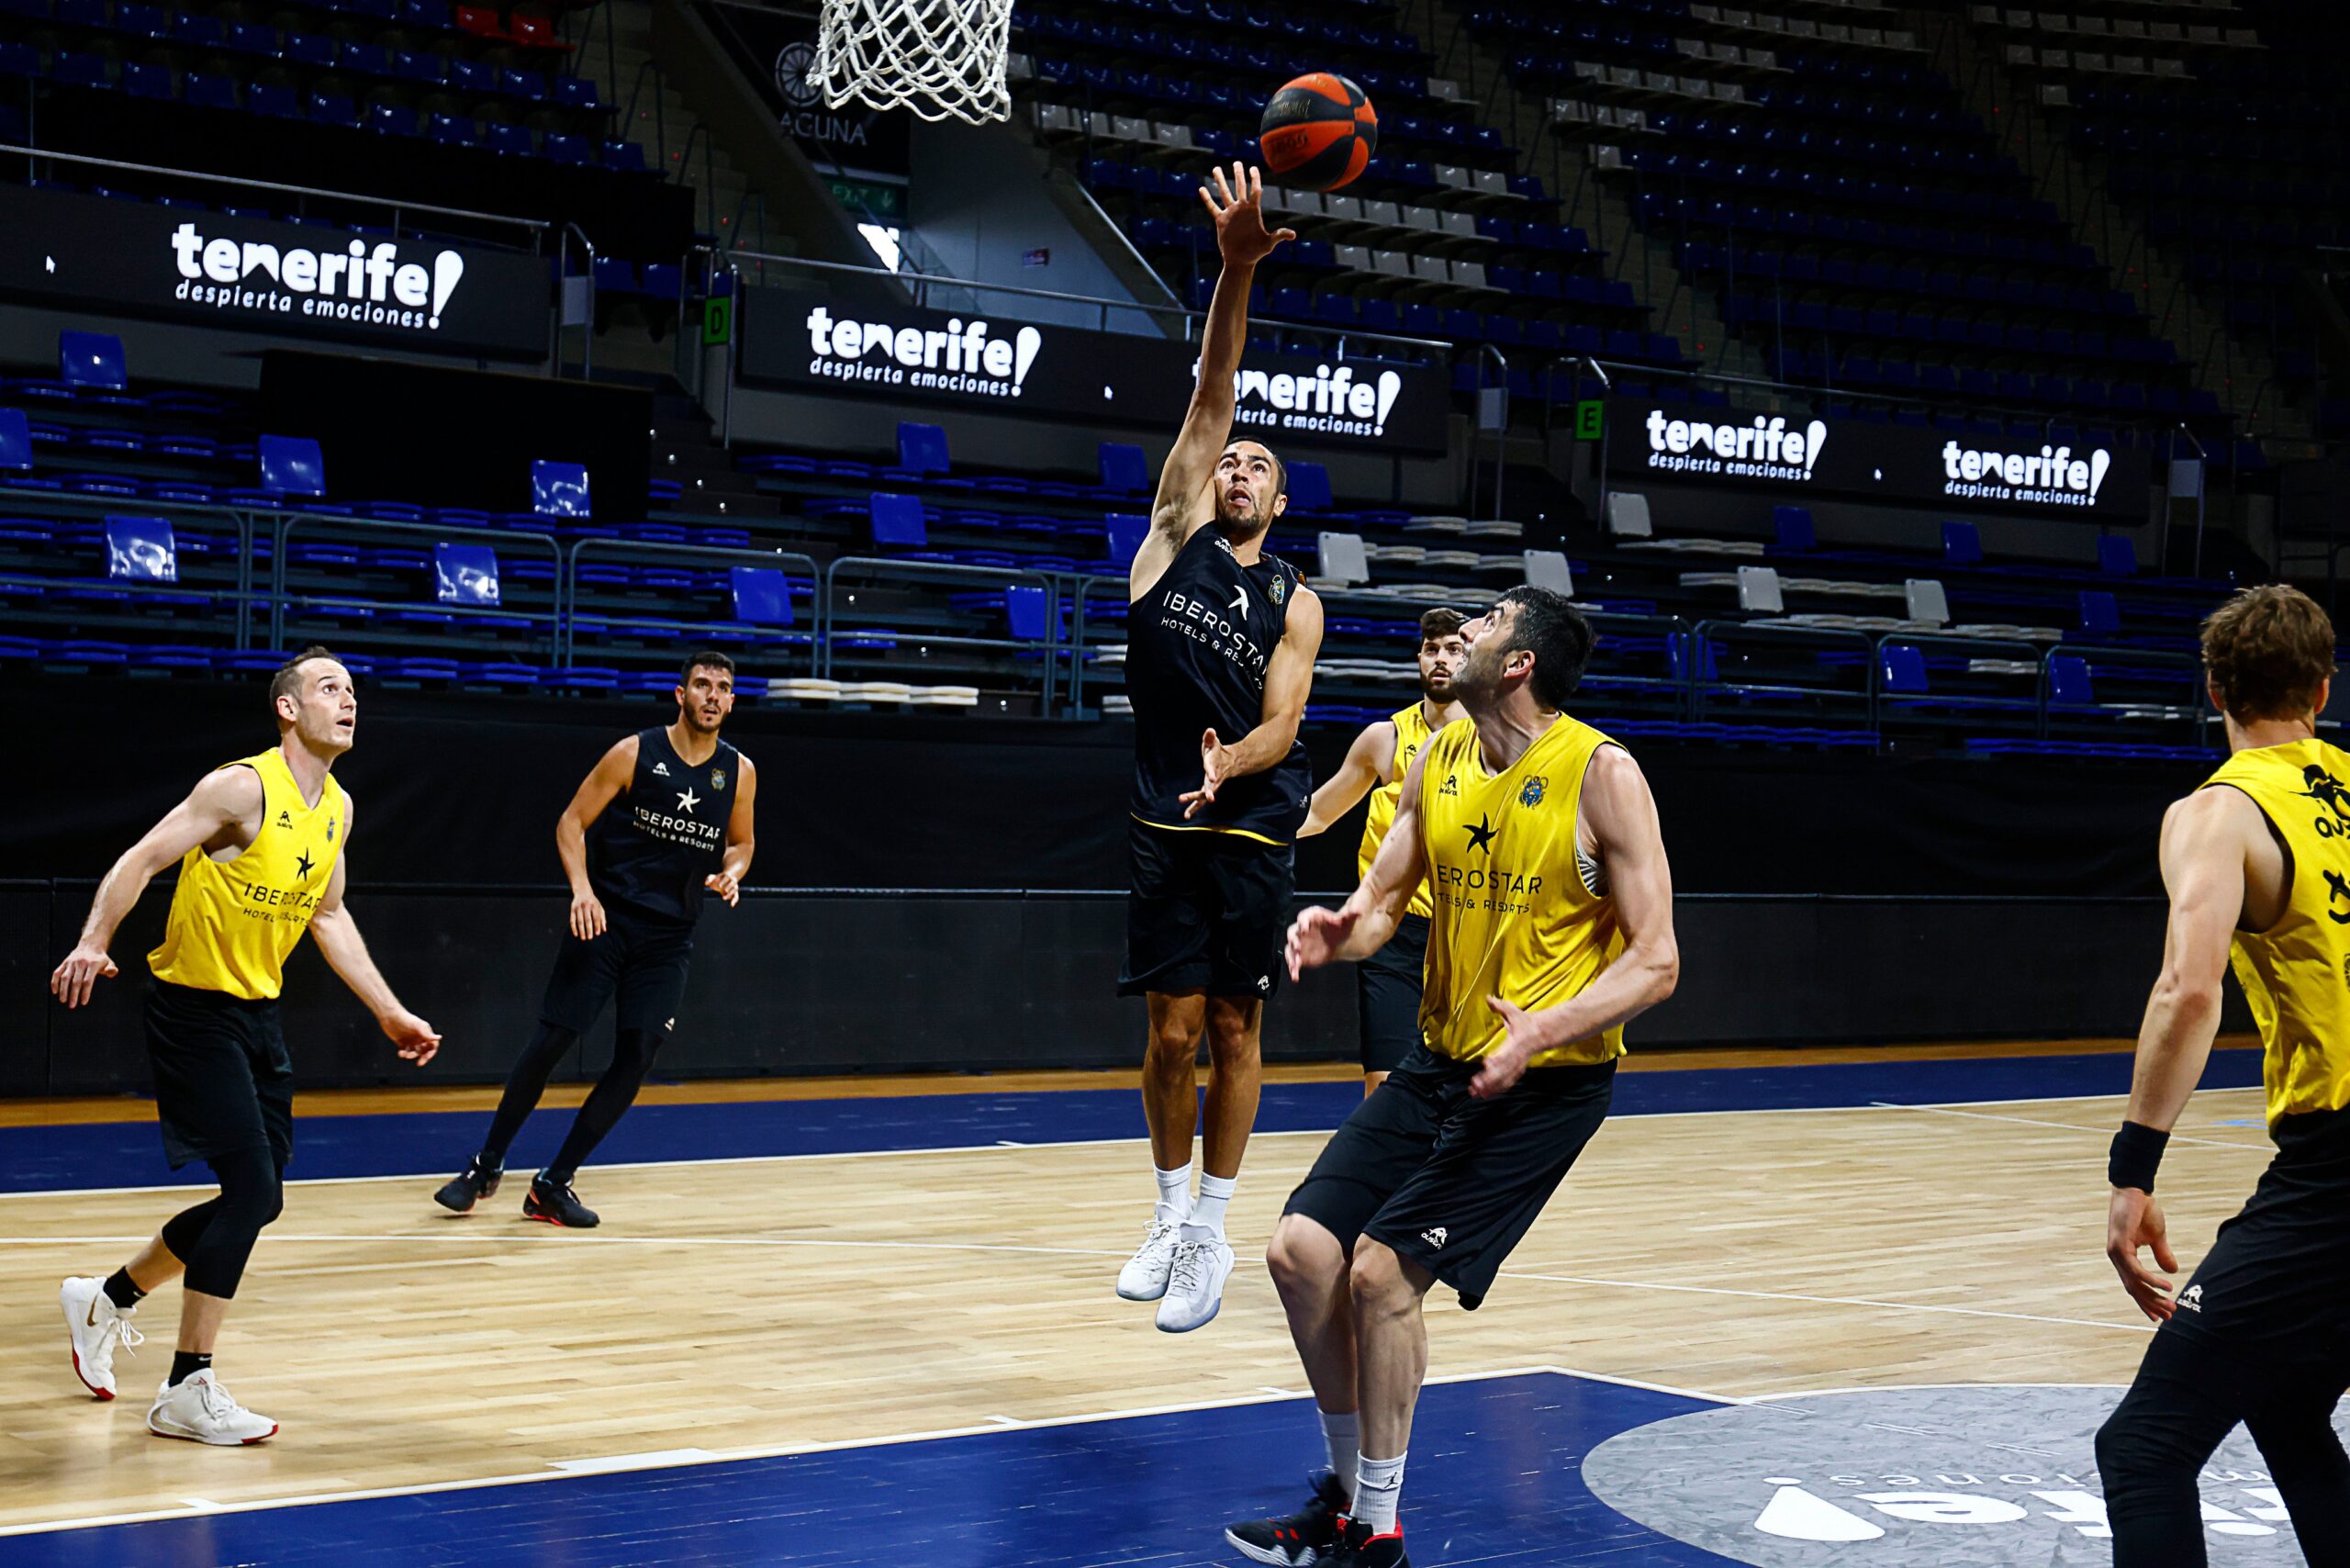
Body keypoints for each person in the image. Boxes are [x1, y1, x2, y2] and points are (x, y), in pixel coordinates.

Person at [1233, 587, 1679, 1568]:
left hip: (1544, 1084)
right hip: (1440, 1061)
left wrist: (1543, 1028)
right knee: (1301, 1253)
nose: (1463, 634)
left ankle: (1377, 1532)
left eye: (1487, 624)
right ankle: (1347, 1498)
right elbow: (1383, 902)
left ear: (1519, 664)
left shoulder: (1601, 774)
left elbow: (1657, 961)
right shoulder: (1436, 758)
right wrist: (1341, 931)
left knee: (1381, 1275)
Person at [50, 646, 440, 1444]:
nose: (348, 700)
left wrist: (389, 1010)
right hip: (193, 1011)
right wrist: (94, 940)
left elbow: (328, 914)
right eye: (329, 688)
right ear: (288, 708)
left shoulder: (337, 808)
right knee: (253, 1187)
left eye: (353, 690)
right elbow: (141, 857)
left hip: (259, 1015)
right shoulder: (241, 787)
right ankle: (186, 1386)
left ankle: (106, 1299)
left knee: (259, 1199)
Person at [2097, 584, 2350, 1567]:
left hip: (2337, 1168)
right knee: (2286, 1401)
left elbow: (2188, 990)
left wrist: (2133, 1169)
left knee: (2144, 1447)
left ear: (2213, 690)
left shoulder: (2219, 813)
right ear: (2322, 691)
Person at [1115, 162, 1325, 1335]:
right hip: (1162, 809)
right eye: (1230, 459)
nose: (1238, 468)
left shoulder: (1297, 600)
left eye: (1259, 467)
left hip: (1247, 818)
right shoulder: (1168, 537)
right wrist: (1236, 269)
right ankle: (1162, 1211)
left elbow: (1286, 721)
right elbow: (1213, 383)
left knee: (1236, 1027)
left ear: (1278, 505)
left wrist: (1233, 762)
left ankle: (1211, 1224)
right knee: (1170, 1032)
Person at [433, 651, 755, 1228]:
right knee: (552, 1042)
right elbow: (571, 822)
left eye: (723, 688)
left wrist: (731, 873)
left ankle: (552, 1184)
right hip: (607, 921)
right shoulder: (634, 752)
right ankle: (485, 1165)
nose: (712, 695)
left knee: (637, 1058)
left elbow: (742, 842)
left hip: (669, 937)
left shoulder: (739, 772)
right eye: (702, 684)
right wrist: (582, 890)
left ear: (732, 701)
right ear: (680, 694)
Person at [1296, 608, 1469, 1095]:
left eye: (1454, 650)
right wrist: (1244, 827)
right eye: (1431, 649)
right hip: (1394, 931)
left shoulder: (1494, 742)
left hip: (1466, 931)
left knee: (1465, 1089)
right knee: (1385, 1086)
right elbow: (1318, 814)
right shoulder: (1385, 738)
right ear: (1419, 659)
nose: (1441, 659)